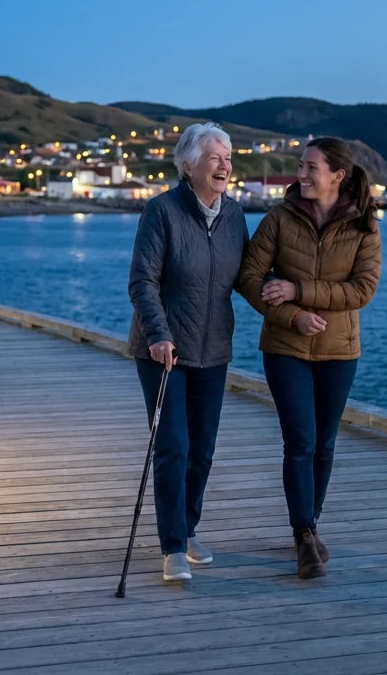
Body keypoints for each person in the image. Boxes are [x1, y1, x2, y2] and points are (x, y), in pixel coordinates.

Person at [237, 137, 382, 580]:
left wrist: (300, 291)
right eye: (301, 166)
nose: (300, 174)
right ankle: (303, 534)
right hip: (285, 347)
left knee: (324, 442)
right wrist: (293, 316)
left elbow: (363, 290)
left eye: (310, 167)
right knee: (300, 440)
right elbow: (248, 277)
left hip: (340, 351)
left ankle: (310, 522)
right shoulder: (279, 219)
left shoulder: (364, 226)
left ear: (337, 176)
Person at [128, 122, 248, 582]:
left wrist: (290, 305)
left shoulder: (235, 216)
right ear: (189, 164)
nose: (225, 165)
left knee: (203, 449)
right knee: (174, 445)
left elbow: (247, 278)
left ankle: (189, 526)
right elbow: (143, 280)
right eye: (215, 157)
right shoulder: (161, 211)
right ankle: (173, 546)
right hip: (163, 351)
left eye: (228, 158)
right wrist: (158, 333)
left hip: (213, 350)